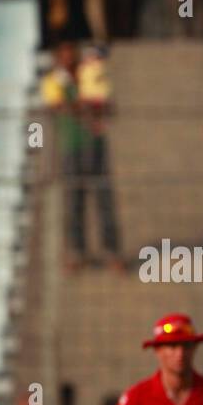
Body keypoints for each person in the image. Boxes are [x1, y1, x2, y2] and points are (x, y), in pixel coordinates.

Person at [42, 41, 123, 271]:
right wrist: (84, 107)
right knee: (74, 200)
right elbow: (56, 107)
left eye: (71, 52)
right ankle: (77, 253)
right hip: (71, 145)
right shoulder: (53, 81)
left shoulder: (90, 75)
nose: (69, 57)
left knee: (104, 199)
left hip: (96, 144)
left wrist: (96, 106)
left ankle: (112, 251)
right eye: (63, 53)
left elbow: (109, 106)